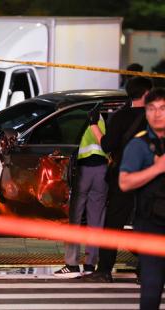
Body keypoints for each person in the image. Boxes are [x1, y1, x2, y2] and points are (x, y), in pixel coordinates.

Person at [84, 76, 153, 282]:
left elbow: (107, 146)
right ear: (147, 94)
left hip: (123, 177)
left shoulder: (120, 116)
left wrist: (94, 124)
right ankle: (146, 270)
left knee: (113, 223)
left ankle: (104, 270)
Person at [119, 87, 165, 310]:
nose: (157, 114)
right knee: (152, 288)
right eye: (152, 108)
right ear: (145, 112)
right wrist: (156, 169)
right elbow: (124, 182)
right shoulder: (139, 145)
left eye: (163, 108)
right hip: (151, 225)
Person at [54, 108, 108, 278]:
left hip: (83, 171)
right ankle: (91, 264)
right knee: (96, 219)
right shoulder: (102, 119)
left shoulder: (73, 118)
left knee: (75, 218)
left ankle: (72, 264)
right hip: (102, 170)